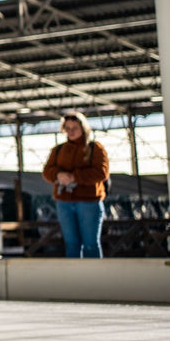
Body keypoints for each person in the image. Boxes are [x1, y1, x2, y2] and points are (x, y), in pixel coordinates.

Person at [42, 111, 109, 258]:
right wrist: (58, 175)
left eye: (75, 128)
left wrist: (74, 177)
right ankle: (74, 277)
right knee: (71, 244)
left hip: (89, 202)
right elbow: (47, 171)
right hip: (64, 202)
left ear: (83, 128)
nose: (71, 131)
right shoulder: (58, 150)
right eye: (68, 128)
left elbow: (102, 172)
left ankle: (93, 277)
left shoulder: (95, 148)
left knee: (90, 244)